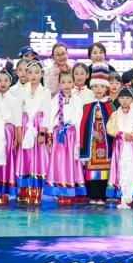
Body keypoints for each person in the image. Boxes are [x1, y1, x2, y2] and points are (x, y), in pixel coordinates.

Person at [13, 60, 51, 205]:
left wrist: (42, 133)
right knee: (25, 159)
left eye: (37, 72)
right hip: (25, 126)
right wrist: (18, 133)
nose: (33, 75)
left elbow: (47, 113)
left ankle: (36, 191)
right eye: (30, 72)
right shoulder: (21, 91)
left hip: (38, 126)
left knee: (38, 160)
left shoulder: (45, 91)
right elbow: (17, 113)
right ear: (26, 74)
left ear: (42, 74)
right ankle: (24, 190)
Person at [45, 71, 85, 205]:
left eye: (69, 82)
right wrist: (49, 137)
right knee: (60, 162)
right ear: (59, 84)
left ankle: (72, 191)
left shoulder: (77, 100)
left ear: (73, 83)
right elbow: (50, 119)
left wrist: (79, 140)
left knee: (72, 162)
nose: (66, 85)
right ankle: (61, 191)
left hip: (72, 135)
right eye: (63, 82)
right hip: (59, 136)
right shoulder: (54, 100)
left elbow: (79, 120)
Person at [79, 65, 115, 205]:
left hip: (106, 143)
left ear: (106, 88)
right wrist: (92, 132)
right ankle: (94, 195)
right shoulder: (87, 105)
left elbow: (114, 123)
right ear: (92, 88)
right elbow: (83, 124)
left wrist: (106, 133)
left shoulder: (110, 105)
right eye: (96, 86)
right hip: (92, 143)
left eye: (102, 86)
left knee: (106, 170)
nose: (99, 89)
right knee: (92, 170)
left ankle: (103, 195)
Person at [106, 86, 133, 209]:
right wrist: (121, 135)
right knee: (120, 168)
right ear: (118, 99)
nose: (124, 100)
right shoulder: (115, 114)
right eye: (122, 98)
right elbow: (110, 128)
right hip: (121, 145)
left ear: (132, 99)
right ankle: (121, 194)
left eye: (128, 98)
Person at [0, 70, 22, 205]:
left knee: (8, 162)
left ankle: (6, 192)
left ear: (10, 82)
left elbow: (17, 122)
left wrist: (16, 139)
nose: (3, 83)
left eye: (6, 80)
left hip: (9, 133)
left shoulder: (14, 100)